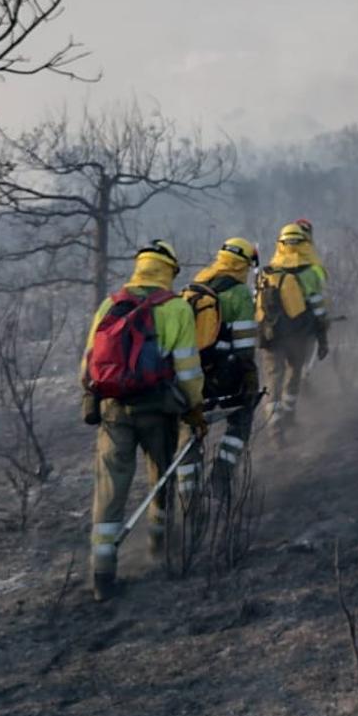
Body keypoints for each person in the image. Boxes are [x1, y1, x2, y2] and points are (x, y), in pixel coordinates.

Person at [80, 240, 206, 601]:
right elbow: (187, 368)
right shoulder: (176, 308)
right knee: (160, 479)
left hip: (113, 411)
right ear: (169, 270)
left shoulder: (111, 303)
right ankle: (158, 544)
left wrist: (90, 397)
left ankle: (102, 573)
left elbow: (88, 360)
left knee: (110, 490)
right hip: (157, 410)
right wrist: (194, 408)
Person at [176, 237, 260, 504]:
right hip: (224, 377)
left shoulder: (194, 287)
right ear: (244, 264)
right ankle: (221, 474)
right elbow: (245, 346)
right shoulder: (239, 293)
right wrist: (250, 382)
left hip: (190, 377)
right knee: (241, 418)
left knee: (189, 431)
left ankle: (189, 494)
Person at [255, 222, 329, 443]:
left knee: (272, 379)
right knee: (294, 373)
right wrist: (323, 337)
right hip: (297, 335)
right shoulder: (308, 273)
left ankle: (274, 425)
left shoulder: (267, 272)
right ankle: (289, 415)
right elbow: (318, 308)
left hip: (269, 336)